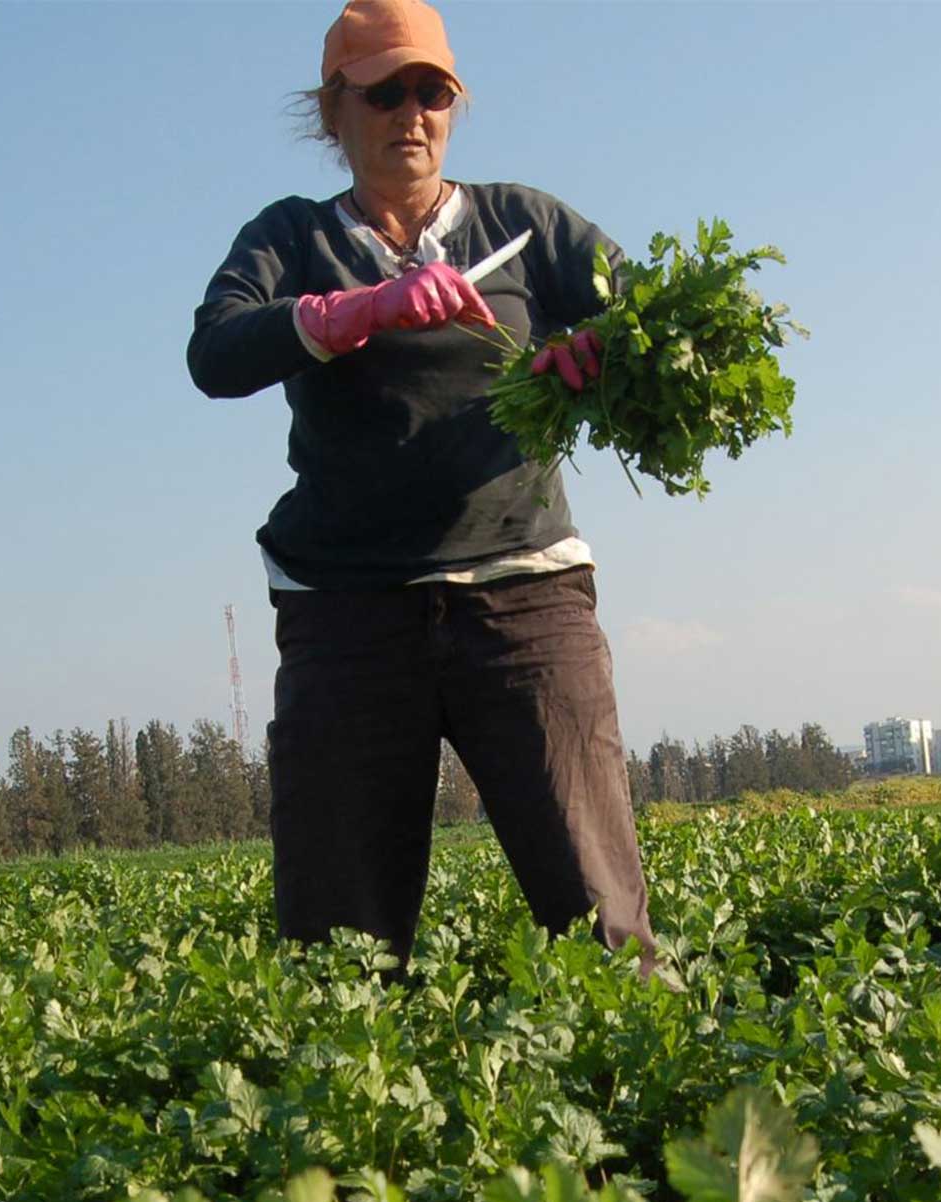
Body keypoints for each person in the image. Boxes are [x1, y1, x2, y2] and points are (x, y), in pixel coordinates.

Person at [187, 0, 657, 975]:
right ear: (333, 112)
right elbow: (217, 350)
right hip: (347, 614)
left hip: (525, 602)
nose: (411, 113)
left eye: (432, 92)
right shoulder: (291, 237)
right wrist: (351, 311)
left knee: (602, 921)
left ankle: (649, 1102)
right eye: (385, 92)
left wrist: (596, 349)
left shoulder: (520, 224)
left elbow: (649, 313)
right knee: (339, 949)